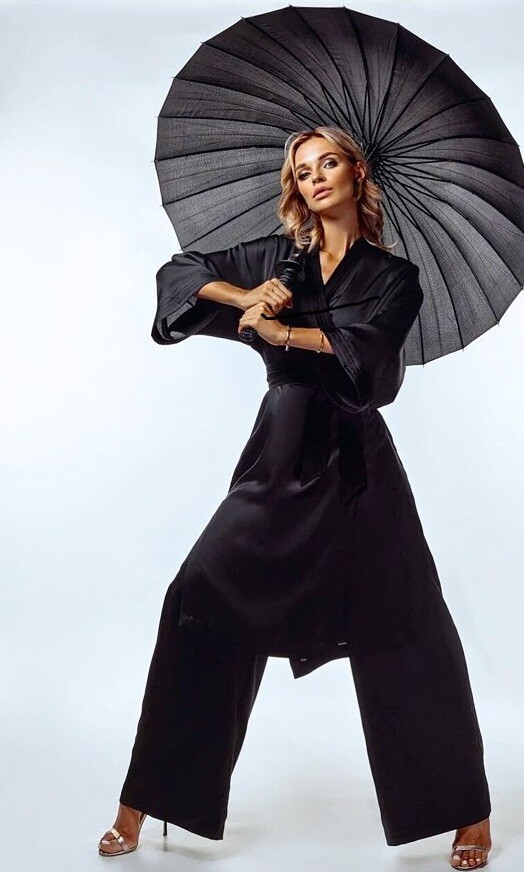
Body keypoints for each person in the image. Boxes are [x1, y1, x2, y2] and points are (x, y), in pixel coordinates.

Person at [97, 126, 492, 869]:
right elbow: (181, 274)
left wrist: (285, 332)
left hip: (358, 467)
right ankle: (143, 799)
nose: (315, 178)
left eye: (328, 163)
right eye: (303, 171)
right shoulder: (278, 259)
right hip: (277, 455)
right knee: (198, 599)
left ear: (358, 171)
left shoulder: (395, 276)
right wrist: (246, 295)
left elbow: (374, 363)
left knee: (407, 624)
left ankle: (466, 812)